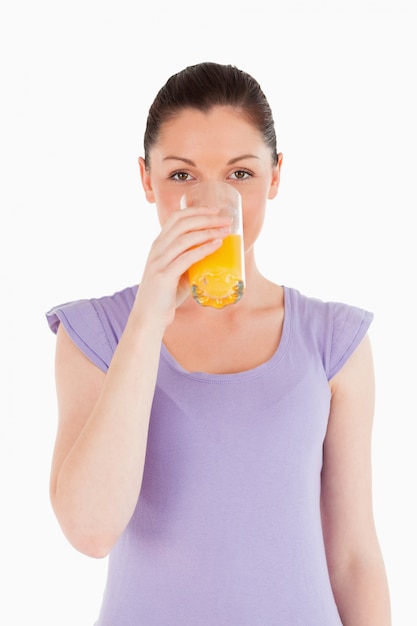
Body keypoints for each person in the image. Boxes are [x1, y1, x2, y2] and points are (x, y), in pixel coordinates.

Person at [46, 62, 391, 625]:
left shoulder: (335, 341)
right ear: (146, 179)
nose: (212, 203)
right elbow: (89, 530)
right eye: (182, 176)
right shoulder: (97, 333)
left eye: (240, 174)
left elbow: (354, 557)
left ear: (275, 177)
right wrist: (149, 316)